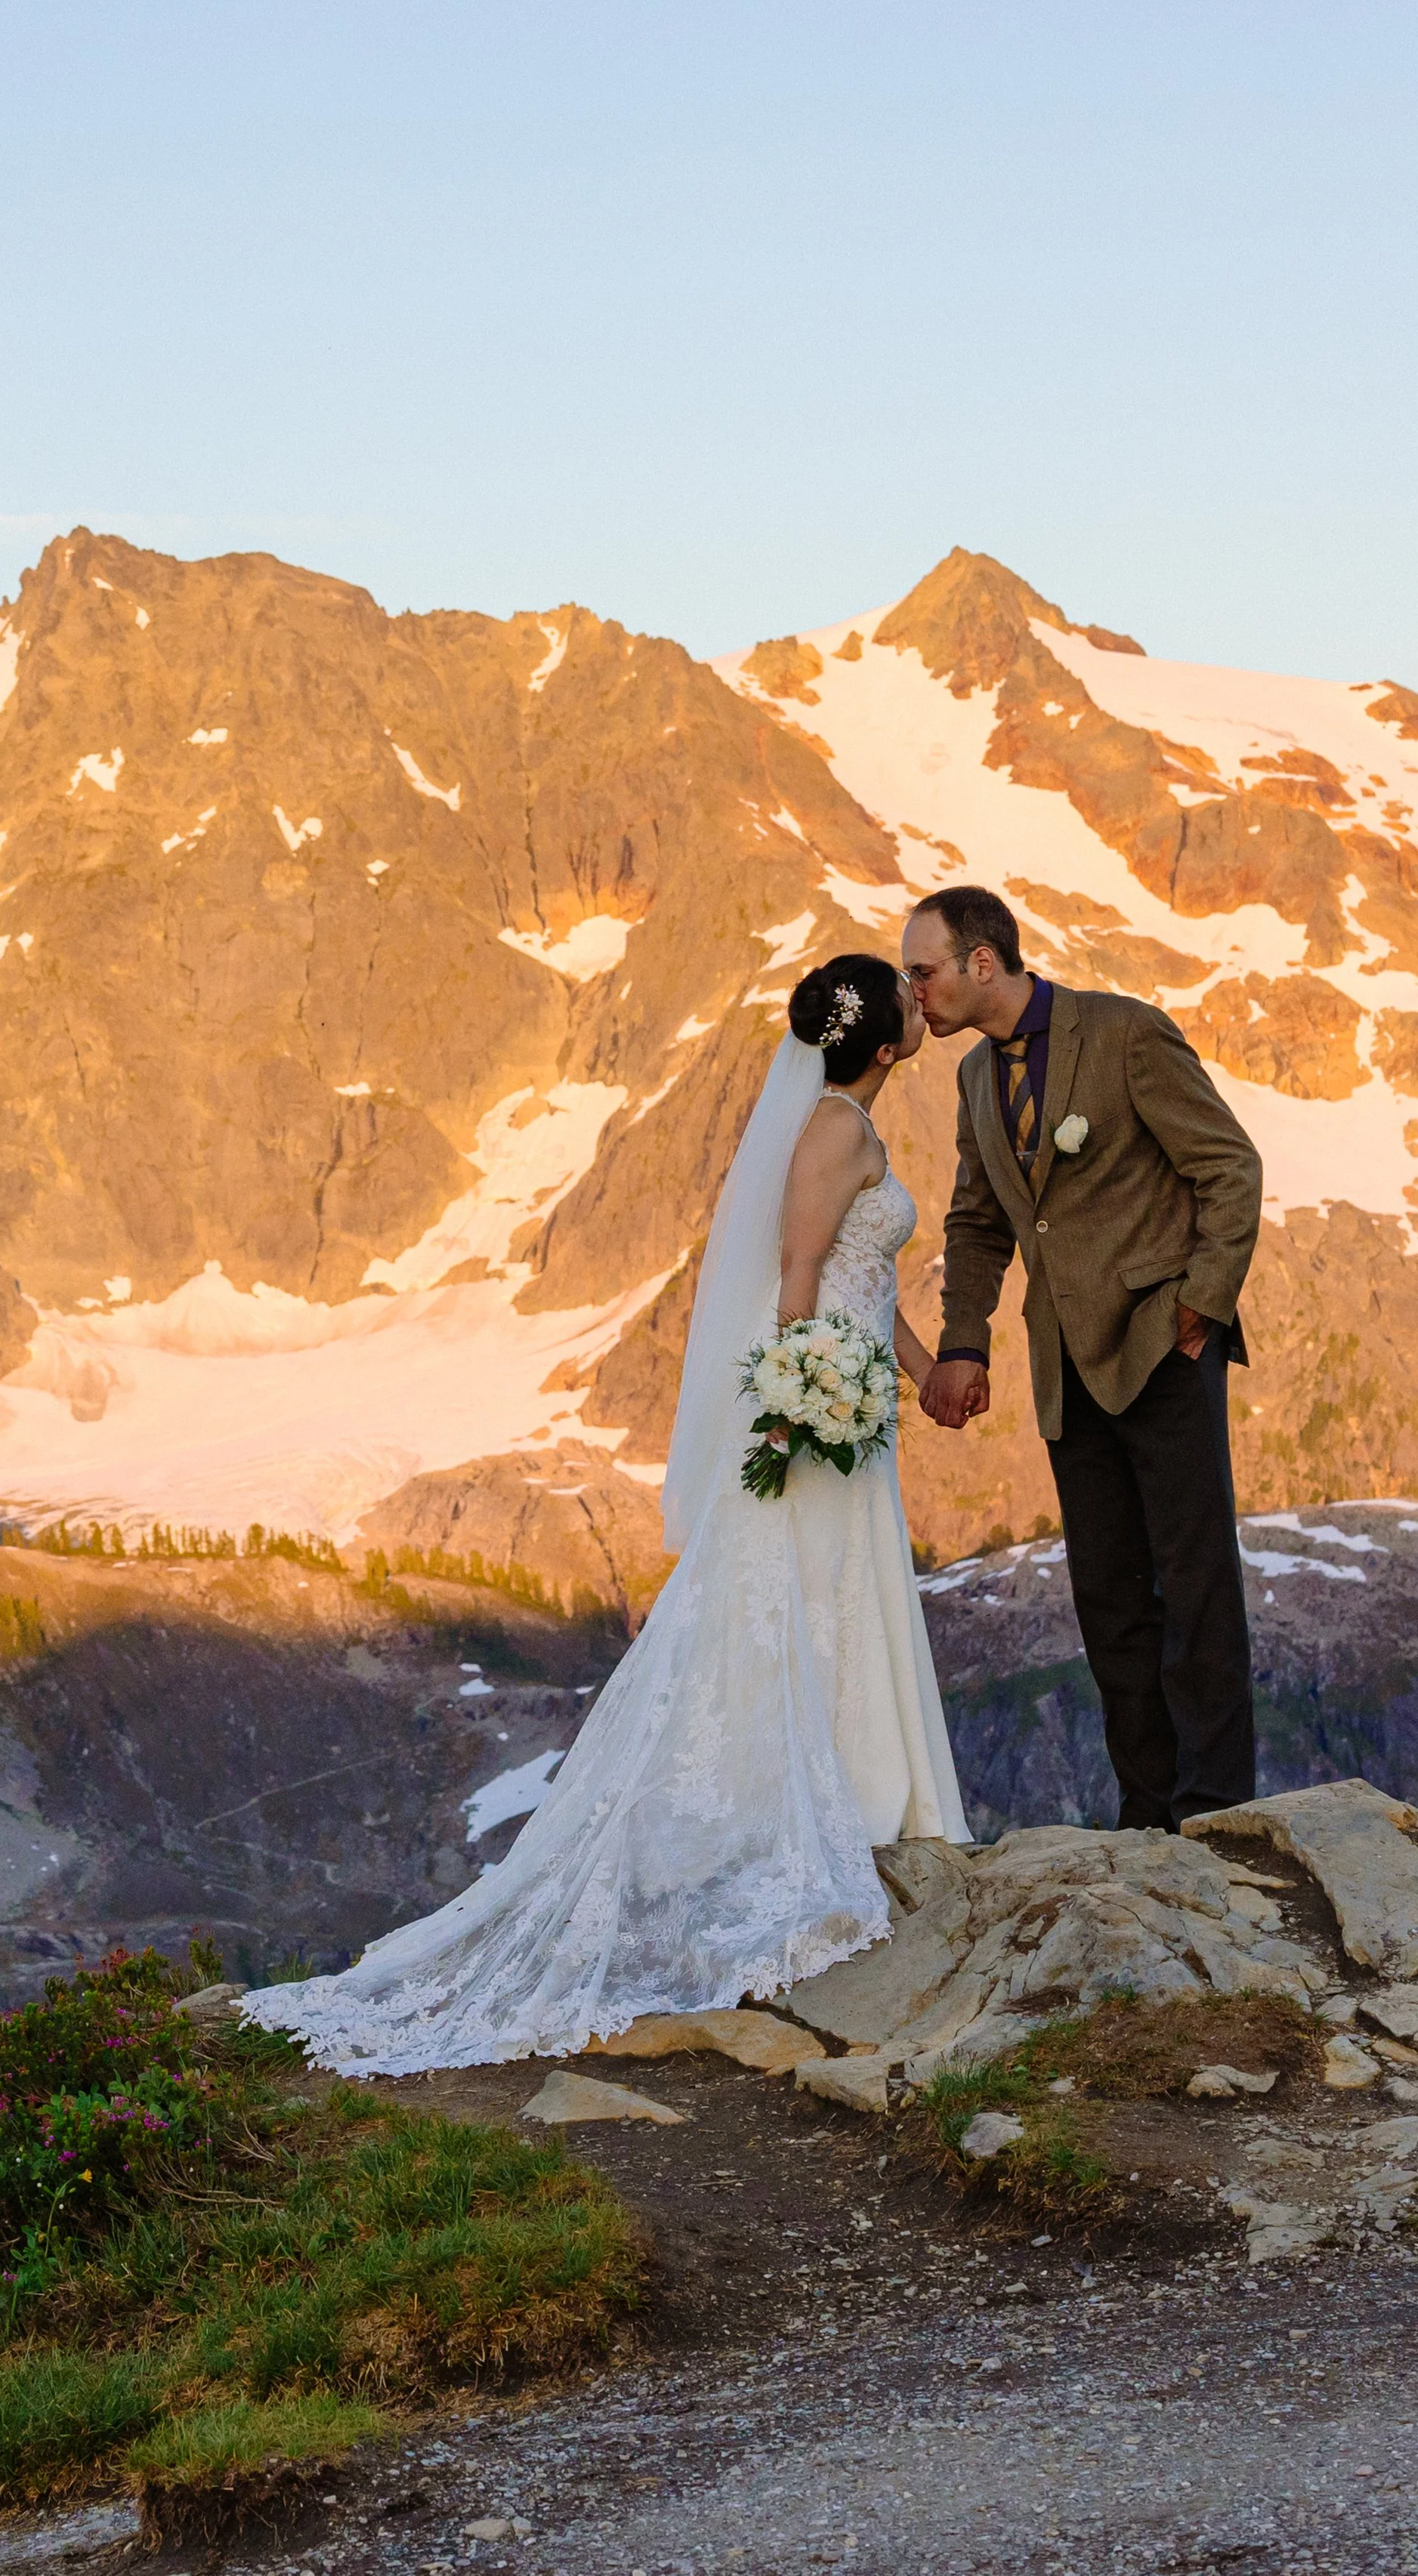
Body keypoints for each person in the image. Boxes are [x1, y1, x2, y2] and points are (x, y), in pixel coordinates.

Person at [243, 953, 968, 2075]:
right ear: (879, 1045)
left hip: (855, 1398)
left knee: (841, 1589)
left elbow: (865, 1290)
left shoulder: (846, 1119)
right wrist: (799, 1395)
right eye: (906, 1003)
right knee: (805, 1591)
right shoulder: (835, 1130)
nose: (924, 1010)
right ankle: (832, 1797)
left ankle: (870, 1784)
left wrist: (912, 1372)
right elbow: (801, 1273)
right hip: (823, 1409)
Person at [901, 885, 1263, 1831]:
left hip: (1164, 1347)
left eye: (924, 971)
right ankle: (1147, 1819)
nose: (916, 992)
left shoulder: (1127, 1035)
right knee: (1108, 1598)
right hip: (1066, 1368)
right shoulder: (975, 1080)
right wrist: (963, 1342)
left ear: (983, 962)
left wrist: (1199, 1306)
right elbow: (977, 1222)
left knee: (1195, 1587)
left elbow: (1229, 1166)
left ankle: (1218, 1814)